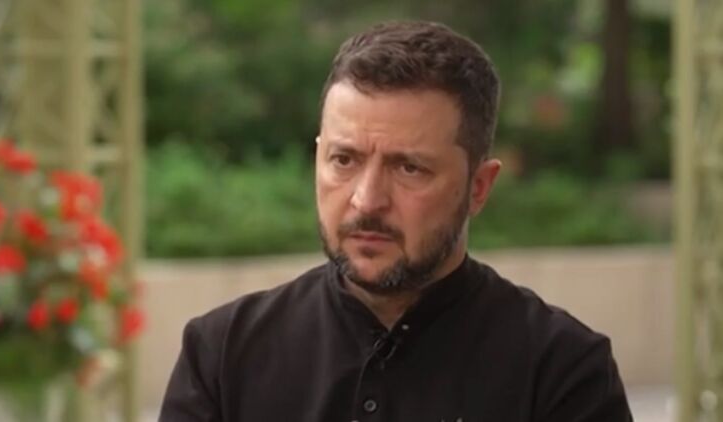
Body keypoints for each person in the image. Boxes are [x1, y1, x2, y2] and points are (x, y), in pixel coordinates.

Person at [159, 21, 633, 422]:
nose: (367, 201)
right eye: (344, 160)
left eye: (409, 168)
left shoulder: (562, 371)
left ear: (479, 187)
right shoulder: (222, 355)